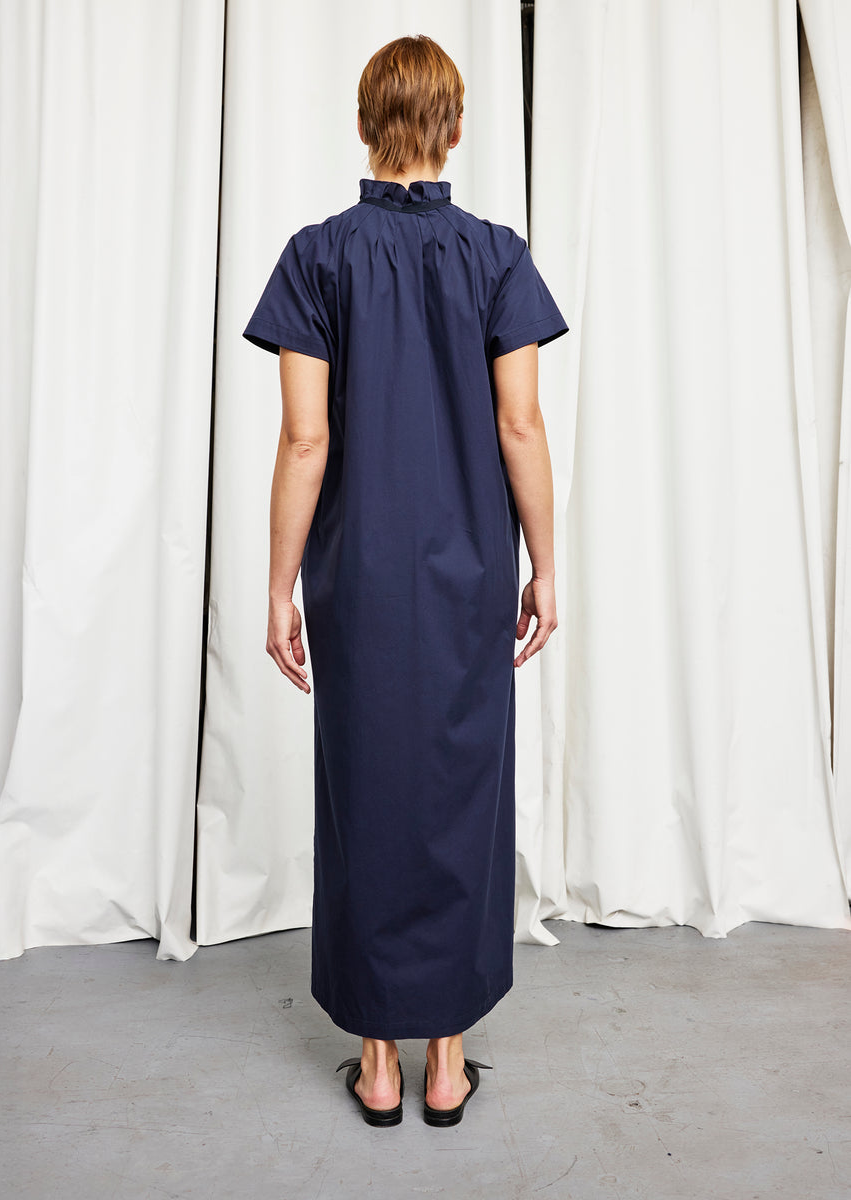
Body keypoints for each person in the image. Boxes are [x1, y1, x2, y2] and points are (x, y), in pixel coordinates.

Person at [243, 34, 569, 1128]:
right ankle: (447, 1062)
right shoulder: (498, 258)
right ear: (456, 129)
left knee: (366, 793)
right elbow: (520, 426)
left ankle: (377, 1064)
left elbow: (305, 441)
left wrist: (280, 587)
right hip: (470, 574)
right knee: (461, 798)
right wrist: (547, 567)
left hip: (359, 578)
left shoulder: (315, 259)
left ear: (362, 126)